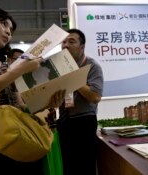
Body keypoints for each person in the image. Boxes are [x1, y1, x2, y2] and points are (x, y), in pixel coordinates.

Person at [0, 7, 65, 175]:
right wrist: (18, 71)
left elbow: (19, 106)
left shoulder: (5, 66)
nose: (8, 32)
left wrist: (47, 102)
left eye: (11, 29)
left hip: (22, 140)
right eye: (3, 24)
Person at [57, 29, 104, 175]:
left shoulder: (92, 66)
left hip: (84, 122)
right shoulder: (58, 67)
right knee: (67, 167)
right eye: (63, 42)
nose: (66, 45)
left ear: (82, 46)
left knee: (84, 167)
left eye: (71, 41)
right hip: (64, 121)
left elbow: (95, 97)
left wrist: (73, 76)